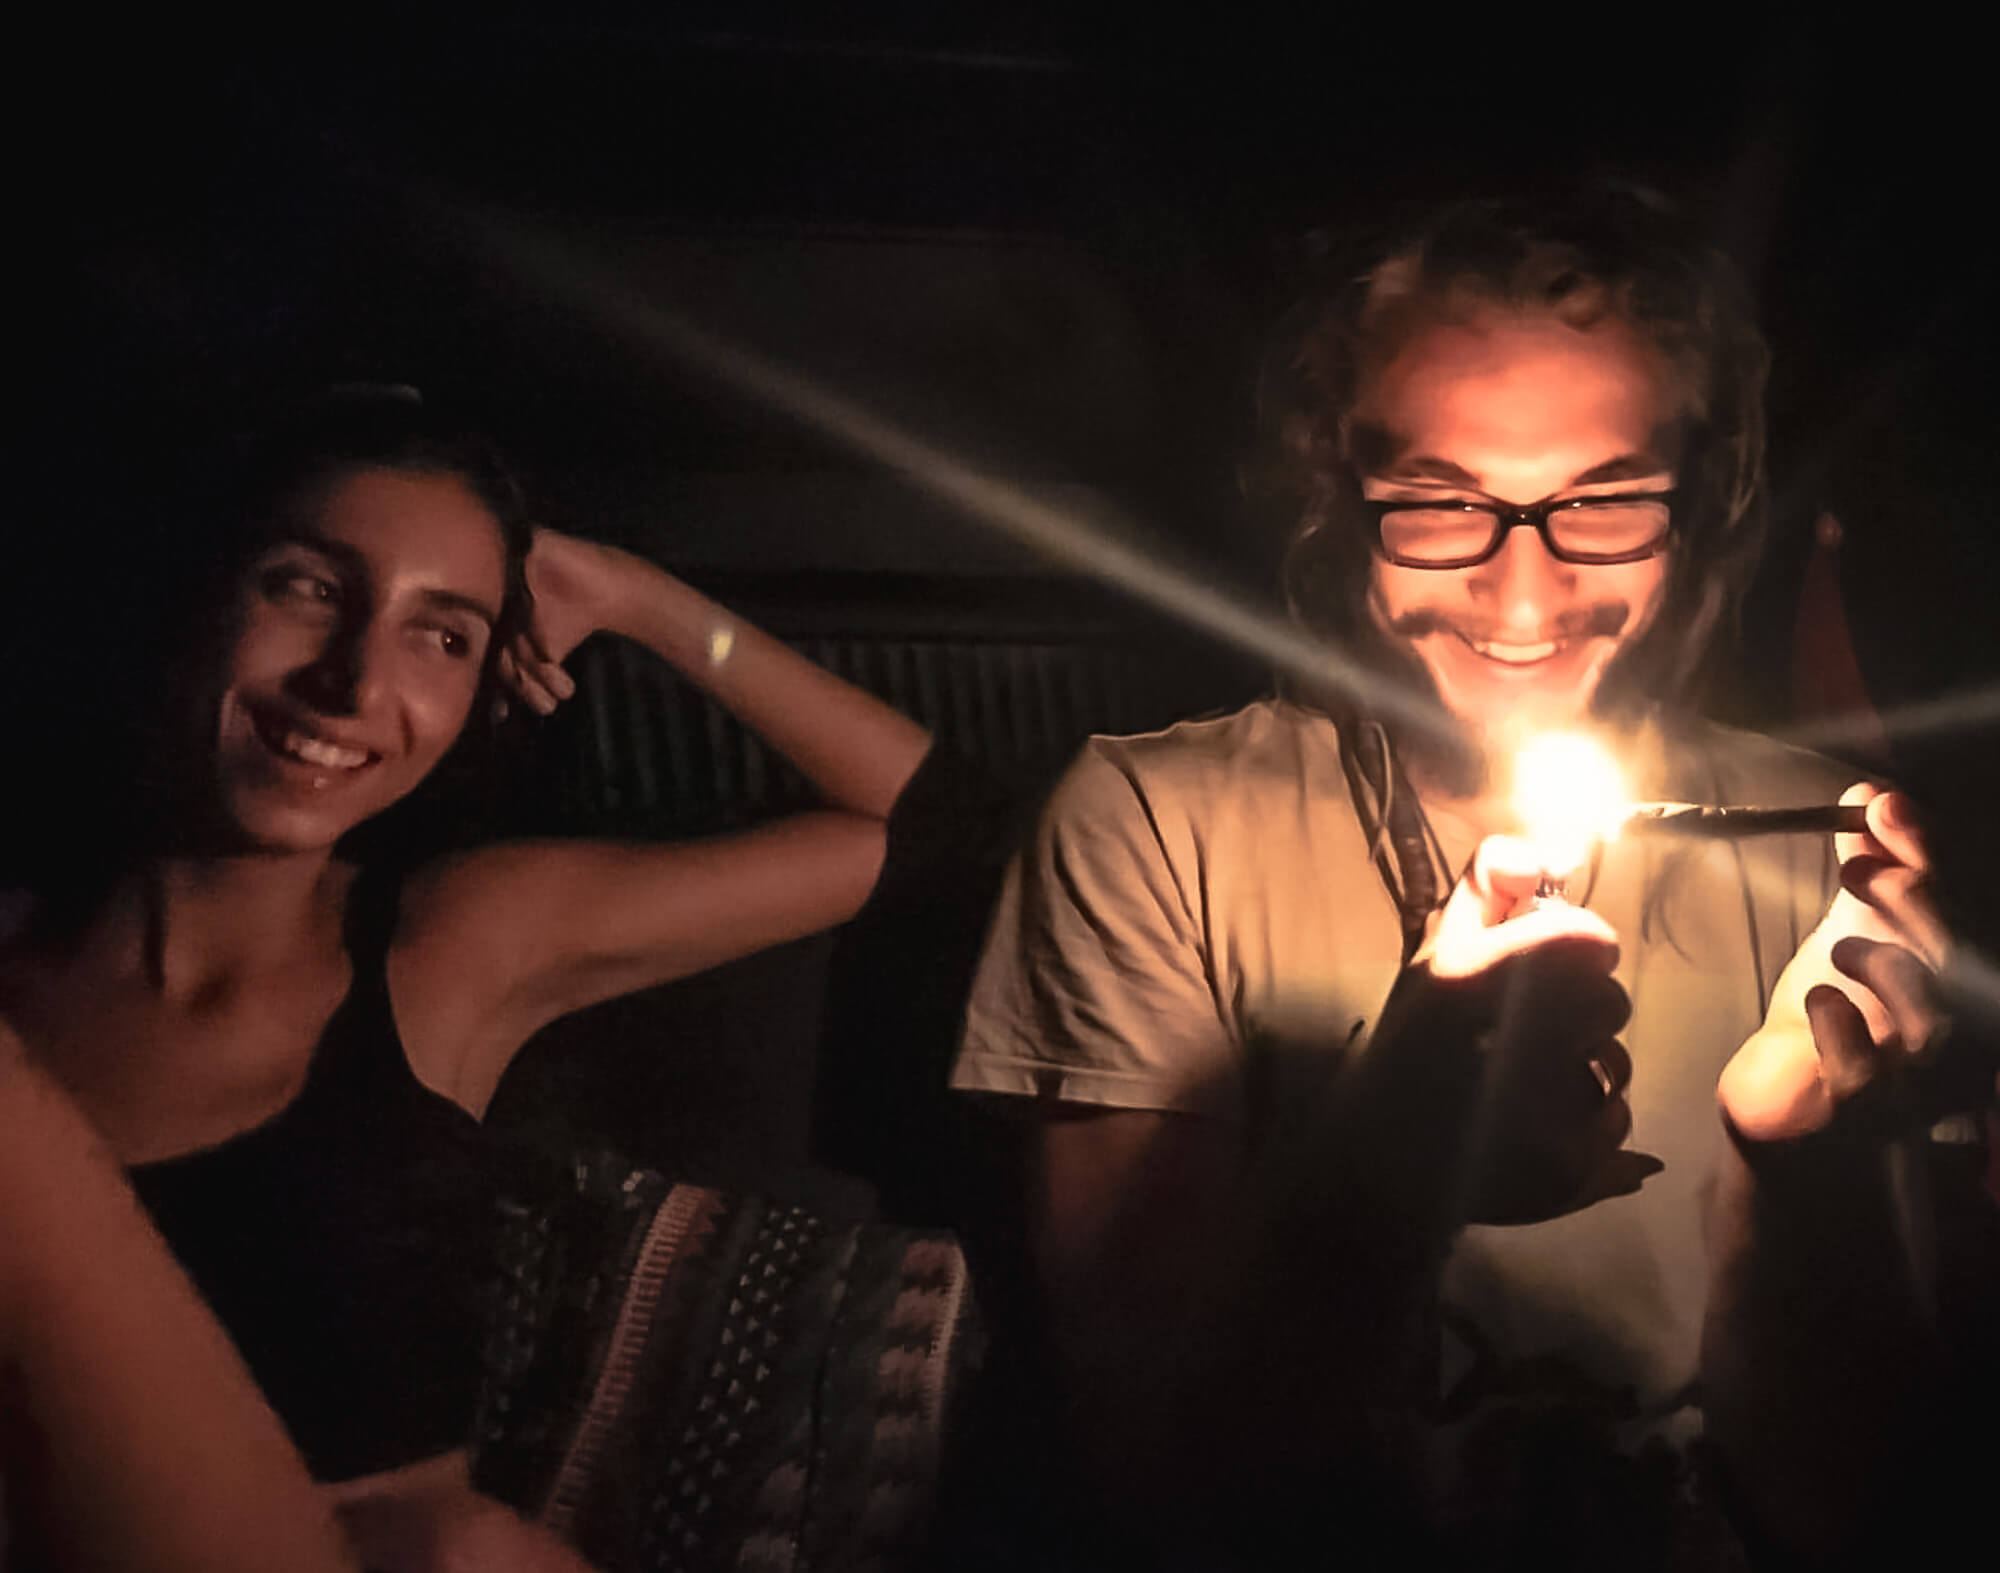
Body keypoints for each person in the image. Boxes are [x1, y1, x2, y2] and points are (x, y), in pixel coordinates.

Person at [946, 187, 1962, 1567]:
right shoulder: (1149, 830)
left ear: (1700, 503)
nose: (1526, 601)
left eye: (1604, 504)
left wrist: (1799, 1159)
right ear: (1337, 504)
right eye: (1438, 506)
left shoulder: (1822, 850)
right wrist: (1395, 1153)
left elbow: (1849, 1508)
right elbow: (1163, 1487)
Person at [0, 388, 933, 1570]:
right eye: (310, 588)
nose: (351, 682)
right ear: (196, 589)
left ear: (484, 686)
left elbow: (928, 827)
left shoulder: (448, 945)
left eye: (441, 634)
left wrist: (642, 604)